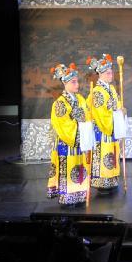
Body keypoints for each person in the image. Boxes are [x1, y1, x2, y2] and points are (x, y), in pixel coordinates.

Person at [47, 63, 92, 207]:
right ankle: (67, 197)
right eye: (73, 82)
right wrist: (78, 125)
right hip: (67, 142)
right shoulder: (59, 103)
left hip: (80, 141)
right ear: (65, 83)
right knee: (68, 169)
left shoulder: (80, 99)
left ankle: (80, 195)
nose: (77, 84)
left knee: (80, 169)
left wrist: (85, 122)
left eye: (77, 81)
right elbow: (62, 125)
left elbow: (87, 116)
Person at [85, 54, 121, 193]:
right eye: (108, 73)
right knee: (104, 154)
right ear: (100, 74)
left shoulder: (110, 89)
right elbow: (101, 113)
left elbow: (116, 105)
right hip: (103, 128)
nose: (111, 75)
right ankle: (101, 182)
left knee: (111, 154)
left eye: (111, 72)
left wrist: (120, 111)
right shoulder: (98, 92)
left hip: (112, 126)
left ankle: (111, 179)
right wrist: (113, 118)